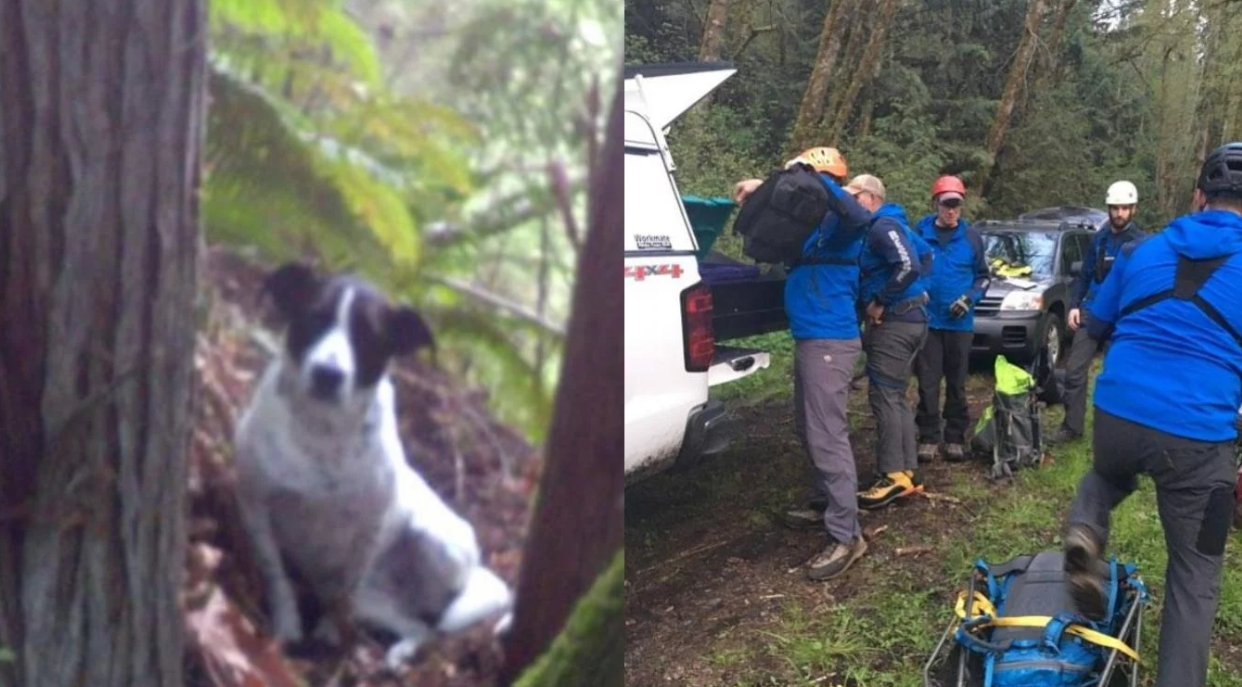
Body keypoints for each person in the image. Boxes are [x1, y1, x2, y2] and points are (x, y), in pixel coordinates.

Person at [1062, 143, 1242, 687]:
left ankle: (1086, 527)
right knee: (1194, 575)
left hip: (1118, 412)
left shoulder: (1146, 249)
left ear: (1197, 196)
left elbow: (1094, 325)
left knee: (1108, 474)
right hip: (1197, 435)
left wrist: (1068, 378)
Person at [733, 147, 872, 580]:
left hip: (831, 340)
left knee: (827, 435)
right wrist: (760, 188)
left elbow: (859, 216)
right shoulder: (812, 226)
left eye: (810, 185)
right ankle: (825, 504)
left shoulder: (846, 224)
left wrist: (818, 179)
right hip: (811, 337)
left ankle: (847, 535)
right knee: (807, 428)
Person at [845, 174, 930, 509]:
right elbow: (926, 257)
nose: (851, 202)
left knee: (883, 395)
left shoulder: (882, 226)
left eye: (855, 197)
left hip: (896, 322)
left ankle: (893, 476)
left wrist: (881, 299)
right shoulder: (895, 225)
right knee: (896, 396)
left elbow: (908, 266)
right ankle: (908, 471)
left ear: (871, 197)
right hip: (911, 318)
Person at [1050, 180, 1145, 443]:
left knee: (1120, 376)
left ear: (1133, 209)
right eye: (1115, 208)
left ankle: (1118, 433)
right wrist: (1073, 307)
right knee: (1074, 371)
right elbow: (1084, 276)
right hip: (1091, 311)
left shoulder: (1141, 243)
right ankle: (1072, 426)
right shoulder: (1100, 238)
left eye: (1125, 208)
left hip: (1122, 317)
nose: (1119, 214)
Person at [914, 175, 989, 462]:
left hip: (959, 323)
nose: (951, 210)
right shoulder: (920, 233)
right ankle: (929, 435)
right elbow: (907, 267)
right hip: (929, 321)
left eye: (956, 204)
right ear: (936, 203)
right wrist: (917, 291)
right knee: (927, 381)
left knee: (957, 382)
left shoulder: (971, 238)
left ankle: (955, 435)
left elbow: (983, 278)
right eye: (946, 204)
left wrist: (970, 298)